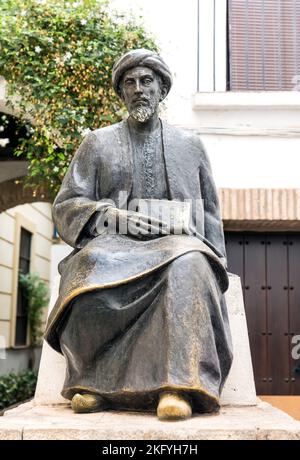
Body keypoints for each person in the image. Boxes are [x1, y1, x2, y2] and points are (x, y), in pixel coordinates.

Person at [44, 49, 233, 421]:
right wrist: (110, 215)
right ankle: (93, 383)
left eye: (147, 81)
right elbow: (67, 204)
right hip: (114, 243)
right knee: (88, 266)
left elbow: (209, 211)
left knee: (191, 264)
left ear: (161, 89)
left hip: (178, 242)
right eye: (129, 83)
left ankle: (178, 386)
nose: (138, 89)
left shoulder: (190, 146)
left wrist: (217, 259)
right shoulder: (97, 143)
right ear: (121, 93)